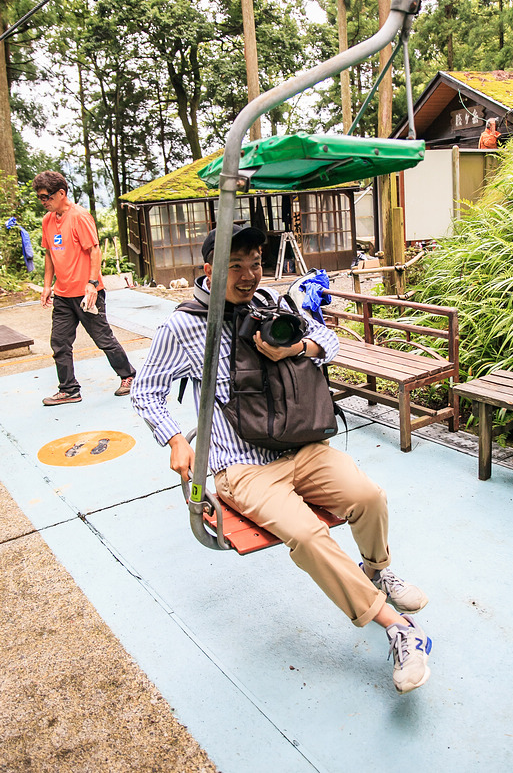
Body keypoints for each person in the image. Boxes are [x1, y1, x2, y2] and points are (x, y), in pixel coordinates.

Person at [131, 224, 432, 694]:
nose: (250, 275)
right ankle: (398, 628)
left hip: (302, 448)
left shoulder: (272, 305)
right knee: (308, 536)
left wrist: (298, 348)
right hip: (244, 467)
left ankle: (376, 570)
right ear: (208, 268)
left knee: (368, 496)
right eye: (236, 266)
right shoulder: (184, 325)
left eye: (255, 264)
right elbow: (147, 390)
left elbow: (328, 340)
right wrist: (174, 438)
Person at [33, 170, 136, 406]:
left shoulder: (79, 216)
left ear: (61, 193)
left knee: (103, 339)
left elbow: (94, 250)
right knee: (59, 343)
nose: (43, 202)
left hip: (87, 294)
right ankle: (69, 389)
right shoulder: (48, 221)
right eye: (40, 198)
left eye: (46, 197)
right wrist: (47, 286)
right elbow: (49, 254)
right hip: (62, 294)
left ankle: (128, 376)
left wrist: (92, 284)